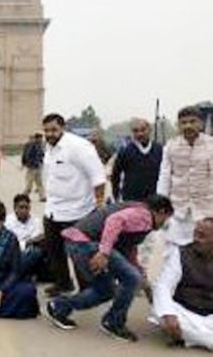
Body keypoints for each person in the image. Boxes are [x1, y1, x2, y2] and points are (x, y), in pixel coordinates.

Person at [46, 195, 173, 342]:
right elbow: (114, 220)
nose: (164, 224)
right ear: (161, 212)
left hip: (77, 243)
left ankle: (58, 307)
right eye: (166, 219)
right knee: (132, 279)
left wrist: (144, 280)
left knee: (105, 290)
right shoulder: (145, 215)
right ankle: (113, 322)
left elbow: (128, 250)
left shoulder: (138, 211)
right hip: (86, 243)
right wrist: (104, 253)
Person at [42, 113, 107, 296]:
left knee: (79, 253)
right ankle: (63, 283)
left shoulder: (79, 146)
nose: (50, 134)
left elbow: (98, 175)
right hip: (53, 210)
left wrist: (100, 203)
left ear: (63, 128)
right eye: (46, 130)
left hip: (78, 211)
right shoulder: (48, 147)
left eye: (54, 130)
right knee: (54, 251)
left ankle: (87, 288)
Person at [151, 217, 213, 350]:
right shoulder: (181, 253)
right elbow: (163, 286)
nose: (196, 239)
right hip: (184, 312)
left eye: (202, 236)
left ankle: (192, 338)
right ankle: (204, 339)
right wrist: (169, 314)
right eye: (195, 234)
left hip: (210, 318)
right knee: (160, 313)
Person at [157, 106, 213, 247]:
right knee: (173, 254)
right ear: (178, 125)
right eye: (183, 122)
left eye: (192, 121)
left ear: (201, 123)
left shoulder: (210, 145)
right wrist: (160, 208)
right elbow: (164, 177)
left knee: (204, 255)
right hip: (178, 211)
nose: (188, 126)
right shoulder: (171, 146)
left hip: (205, 212)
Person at [111, 119, 163, 269]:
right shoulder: (125, 151)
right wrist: (116, 198)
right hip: (131, 202)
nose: (139, 133)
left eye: (142, 130)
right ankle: (130, 270)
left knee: (148, 240)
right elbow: (115, 175)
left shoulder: (160, 150)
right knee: (130, 239)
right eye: (135, 131)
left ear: (149, 130)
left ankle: (142, 272)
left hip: (153, 203)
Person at [5, 194, 45, 278]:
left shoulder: (36, 220)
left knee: (37, 251)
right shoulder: (8, 222)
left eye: (26, 207)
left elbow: (38, 239)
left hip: (32, 251)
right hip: (14, 253)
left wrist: (28, 242)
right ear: (15, 208)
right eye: (21, 207)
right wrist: (27, 242)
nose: (24, 210)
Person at [22, 132, 46, 202]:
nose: (41, 140)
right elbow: (27, 156)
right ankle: (24, 197)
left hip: (38, 167)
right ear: (37, 138)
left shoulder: (39, 146)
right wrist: (28, 164)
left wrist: (41, 162)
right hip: (32, 168)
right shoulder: (31, 146)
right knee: (29, 184)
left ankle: (42, 197)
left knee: (40, 183)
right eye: (40, 138)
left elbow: (42, 155)